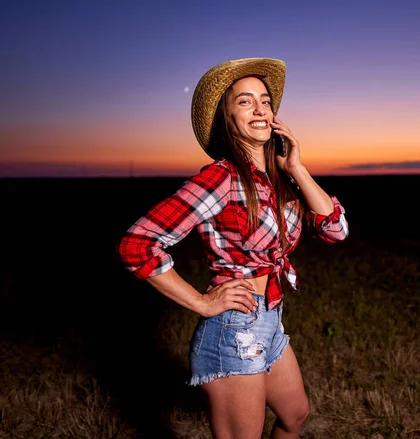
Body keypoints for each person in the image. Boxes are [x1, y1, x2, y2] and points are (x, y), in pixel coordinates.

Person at [118, 57, 349, 439]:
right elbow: (137, 244)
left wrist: (297, 168)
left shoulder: (283, 181)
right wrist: (201, 302)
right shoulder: (221, 178)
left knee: (295, 417)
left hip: (270, 320)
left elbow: (335, 230)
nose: (259, 108)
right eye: (244, 101)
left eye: (264, 100)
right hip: (234, 329)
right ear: (227, 118)